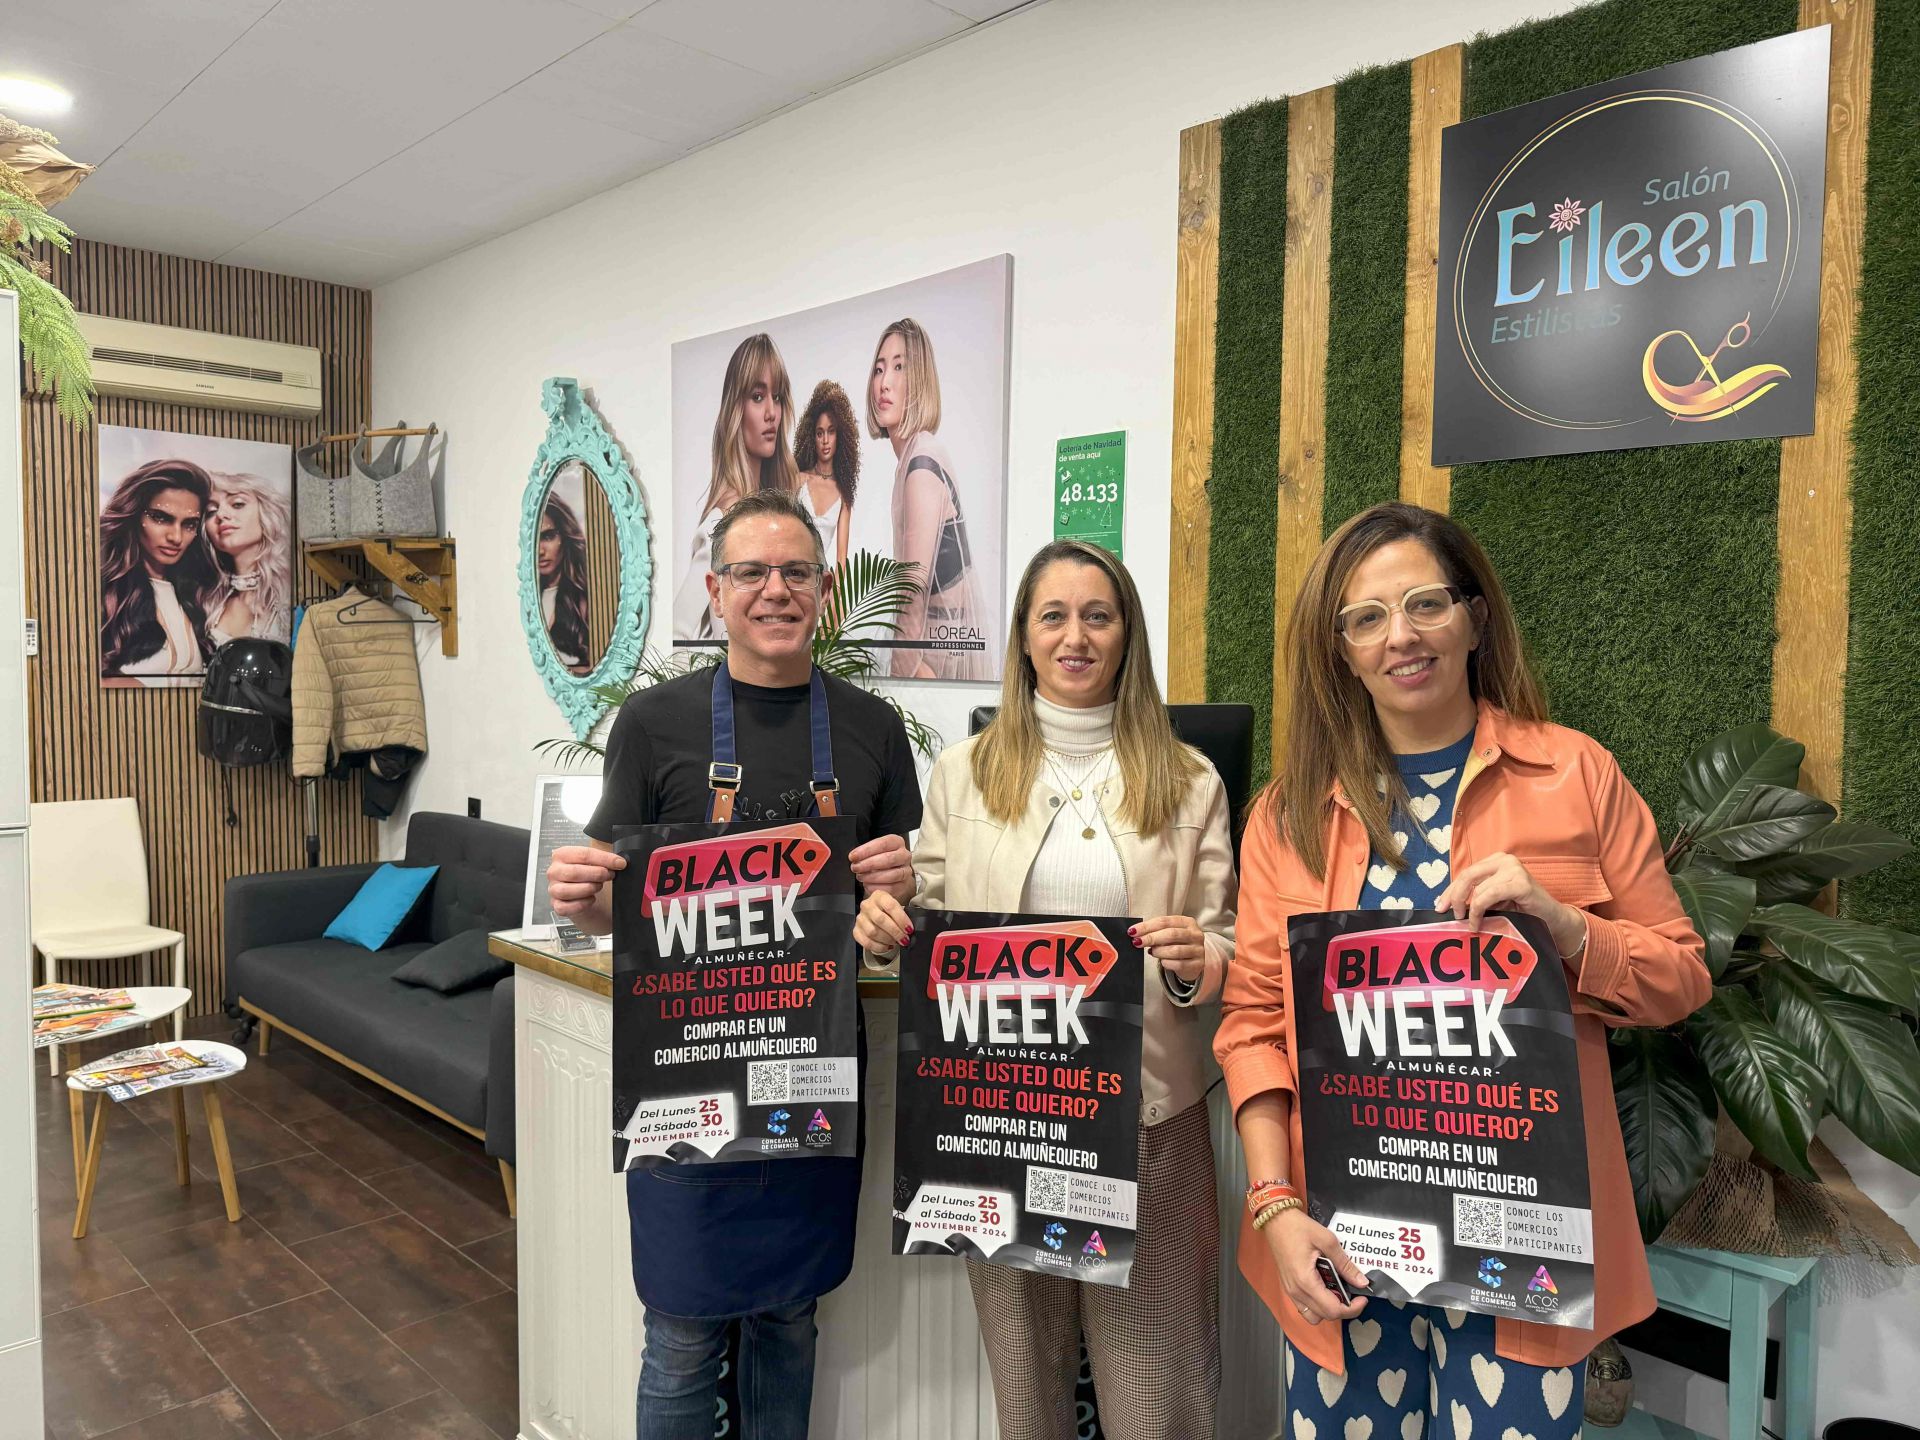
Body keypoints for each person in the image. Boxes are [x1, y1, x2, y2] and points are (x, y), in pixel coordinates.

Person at [1215, 502, 1711, 1440]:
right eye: (1366, 617)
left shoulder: (1576, 774)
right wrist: (1275, 1206)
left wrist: (1568, 929)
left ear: (1475, 618)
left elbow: (1682, 978)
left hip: (1524, 1249)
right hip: (1345, 1242)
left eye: (1425, 604)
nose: (1400, 636)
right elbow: (1253, 1027)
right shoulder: (1286, 816)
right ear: (1341, 650)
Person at [548, 487, 922, 1440]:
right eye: (751, 572)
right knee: (680, 1335)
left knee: (790, 1320)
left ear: (824, 588)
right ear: (715, 592)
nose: (774, 590)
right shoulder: (651, 723)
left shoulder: (875, 727)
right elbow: (618, 904)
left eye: (795, 571)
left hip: (811, 1077)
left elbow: (889, 909)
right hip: (687, 1080)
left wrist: (897, 894)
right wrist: (585, 900)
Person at [855, 539, 1236, 1440]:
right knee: (1027, 1397)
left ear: (1126, 634)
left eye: (1098, 616)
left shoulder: (1191, 779)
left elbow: (1225, 941)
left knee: (1157, 1403)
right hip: (1002, 1120)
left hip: (1149, 1120)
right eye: (1053, 616)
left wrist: (1198, 960)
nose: (1076, 637)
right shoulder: (964, 771)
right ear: (1024, 636)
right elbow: (929, 931)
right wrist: (883, 933)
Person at [866, 317, 990, 680]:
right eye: (879, 369)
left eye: (899, 367)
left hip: (936, 654)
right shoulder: (914, 457)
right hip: (934, 646)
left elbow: (913, 589)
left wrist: (902, 676)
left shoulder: (921, 462)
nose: (884, 383)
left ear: (919, 379)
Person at [673, 333, 802, 643]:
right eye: (757, 397)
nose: (771, 413)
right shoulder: (720, 524)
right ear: (736, 409)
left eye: (777, 397)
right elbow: (678, 634)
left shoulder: (782, 513)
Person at [99, 458, 218, 680]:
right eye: (161, 518)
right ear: (134, 515)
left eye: (189, 524)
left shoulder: (196, 596)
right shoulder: (106, 592)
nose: (176, 537)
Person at [204, 470, 293, 648]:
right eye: (211, 511)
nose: (220, 515)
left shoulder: (291, 593)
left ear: (267, 512)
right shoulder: (209, 600)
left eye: (237, 504)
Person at [793, 379, 857, 573]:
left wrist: (837, 592)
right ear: (812, 437)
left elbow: (841, 562)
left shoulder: (844, 496)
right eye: (819, 433)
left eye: (831, 431)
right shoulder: (798, 480)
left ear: (840, 436)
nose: (825, 440)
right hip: (791, 574)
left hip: (821, 581)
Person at [537, 488, 592, 675]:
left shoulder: (585, 599)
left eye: (548, 536)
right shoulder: (530, 600)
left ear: (565, 535)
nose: (540, 551)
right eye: (535, 540)